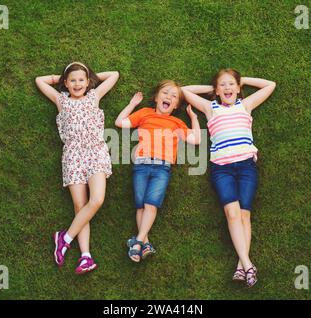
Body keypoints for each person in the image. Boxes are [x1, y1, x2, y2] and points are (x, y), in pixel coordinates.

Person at [182, 68, 276, 287]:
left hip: (246, 167)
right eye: (222, 85)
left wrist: (241, 80)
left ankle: (240, 268)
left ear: (238, 88)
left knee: (244, 215)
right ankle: (248, 264)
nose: (227, 88)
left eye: (231, 84)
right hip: (221, 168)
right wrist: (212, 89)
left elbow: (270, 85)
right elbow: (184, 90)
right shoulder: (210, 108)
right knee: (231, 213)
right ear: (216, 90)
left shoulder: (246, 105)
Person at [35, 61, 119, 274]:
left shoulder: (94, 96)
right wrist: (58, 78)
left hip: (95, 152)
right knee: (80, 206)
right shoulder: (61, 99)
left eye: (81, 80)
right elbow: (39, 81)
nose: (77, 83)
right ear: (66, 83)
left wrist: (90, 75)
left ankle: (65, 238)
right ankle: (85, 256)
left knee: (97, 199)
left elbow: (114, 75)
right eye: (72, 80)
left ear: (88, 82)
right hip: (73, 155)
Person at [115, 80, 201, 262]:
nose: (169, 97)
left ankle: (137, 242)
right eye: (165, 93)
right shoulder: (145, 114)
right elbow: (119, 122)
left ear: (176, 105)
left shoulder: (177, 123)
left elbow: (196, 140)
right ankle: (144, 244)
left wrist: (193, 118)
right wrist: (132, 104)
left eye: (174, 96)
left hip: (162, 167)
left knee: (151, 203)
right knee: (140, 204)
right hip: (140, 164)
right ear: (156, 98)